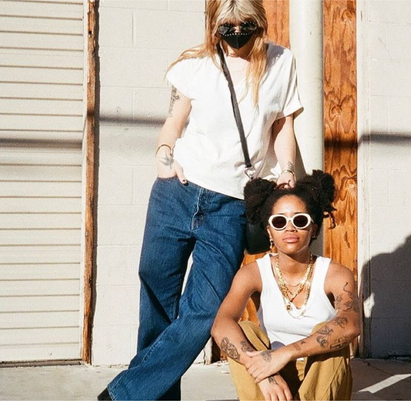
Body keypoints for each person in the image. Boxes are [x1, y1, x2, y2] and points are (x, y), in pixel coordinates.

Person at [98, 0, 303, 399]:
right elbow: (174, 121)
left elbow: (283, 126)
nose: (235, 32)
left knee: (204, 309)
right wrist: (163, 156)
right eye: (226, 24)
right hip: (176, 194)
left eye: (244, 23)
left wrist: (289, 169)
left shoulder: (281, 63)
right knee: (156, 299)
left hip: (229, 206)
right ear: (214, 25)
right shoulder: (197, 64)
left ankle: (124, 394)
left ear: (258, 23)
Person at [211, 170, 362, 401]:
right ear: (269, 231)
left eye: (299, 220)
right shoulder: (253, 273)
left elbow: (351, 325)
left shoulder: (335, 274)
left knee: (331, 331)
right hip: (272, 375)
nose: (289, 228)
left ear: (313, 229)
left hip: (321, 375)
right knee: (246, 331)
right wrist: (263, 373)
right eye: (279, 221)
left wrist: (284, 354)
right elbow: (221, 323)